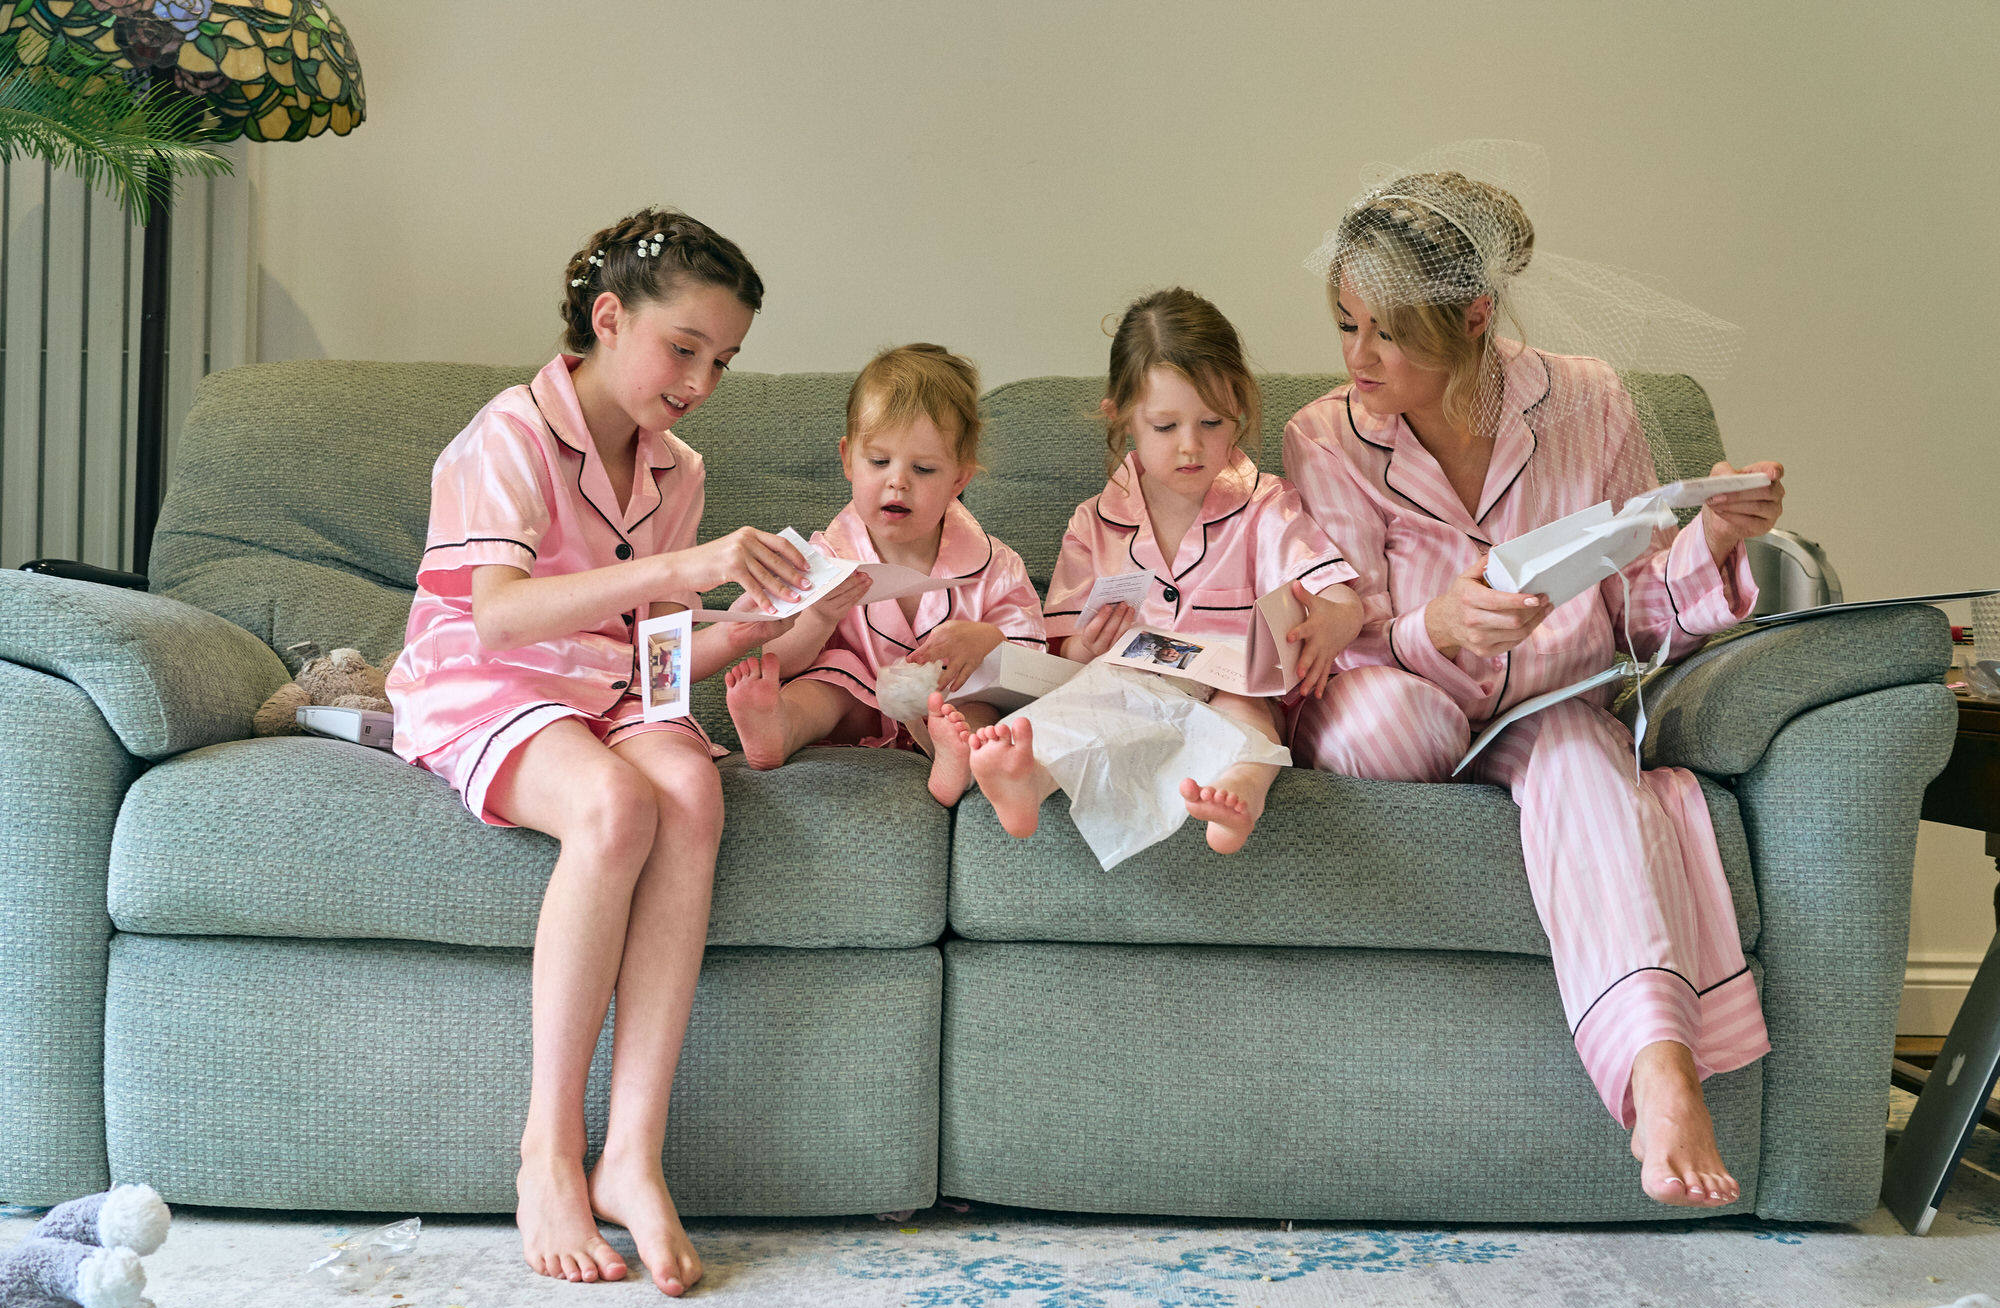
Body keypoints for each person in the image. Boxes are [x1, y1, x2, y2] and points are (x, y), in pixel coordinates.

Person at [1281, 148, 1786, 1208]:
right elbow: (1340, 625)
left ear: (1469, 316)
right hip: (1403, 700)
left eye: (1386, 330)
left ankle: (1658, 1069)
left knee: (1578, 756)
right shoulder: (1322, 433)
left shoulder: (1592, 403)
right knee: (1380, 725)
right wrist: (1440, 621)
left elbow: (1643, 610)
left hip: (1547, 703)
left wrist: (1715, 543)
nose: (1358, 356)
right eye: (1344, 324)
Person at [385, 208, 814, 1295]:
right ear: (607, 318)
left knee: (686, 790)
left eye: (722, 360)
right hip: (489, 683)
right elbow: (496, 617)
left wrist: (745, 632)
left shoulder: (679, 471)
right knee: (615, 808)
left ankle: (631, 1154)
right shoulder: (506, 437)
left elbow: (654, 659)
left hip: (607, 686)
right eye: (684, 350)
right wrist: (684, 572)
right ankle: (546, 1151)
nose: (701, 380)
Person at [956, 288, 1363, 869]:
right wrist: (1082, 645)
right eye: (1165, 425)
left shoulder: (1265, 504)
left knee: (1247, 710)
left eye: (1212, 422)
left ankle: (1243, 789)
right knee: (1087, 703)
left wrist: (1339, 613)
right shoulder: (1095, 522)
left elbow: (1326, 585)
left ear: (1240, 413)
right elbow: (1063, 646)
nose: (1191, 446)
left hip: (1233, 684)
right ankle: (1029, 777)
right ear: (1121, 420)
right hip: (1132, 683)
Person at [723, 343, 1048, 805]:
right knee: (832, 675)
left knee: (976, 711)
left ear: (959, 479)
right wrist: (818, 620)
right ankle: (780, 727)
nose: (898, 481)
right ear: (847, 460)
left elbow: (1032, 662)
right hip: (855, 711)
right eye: (879, 462)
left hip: (945, 708)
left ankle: (956, 760)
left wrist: (984, 639)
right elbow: (778, 657)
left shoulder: (996, 566)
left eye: (924, 468)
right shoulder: (821, 559)